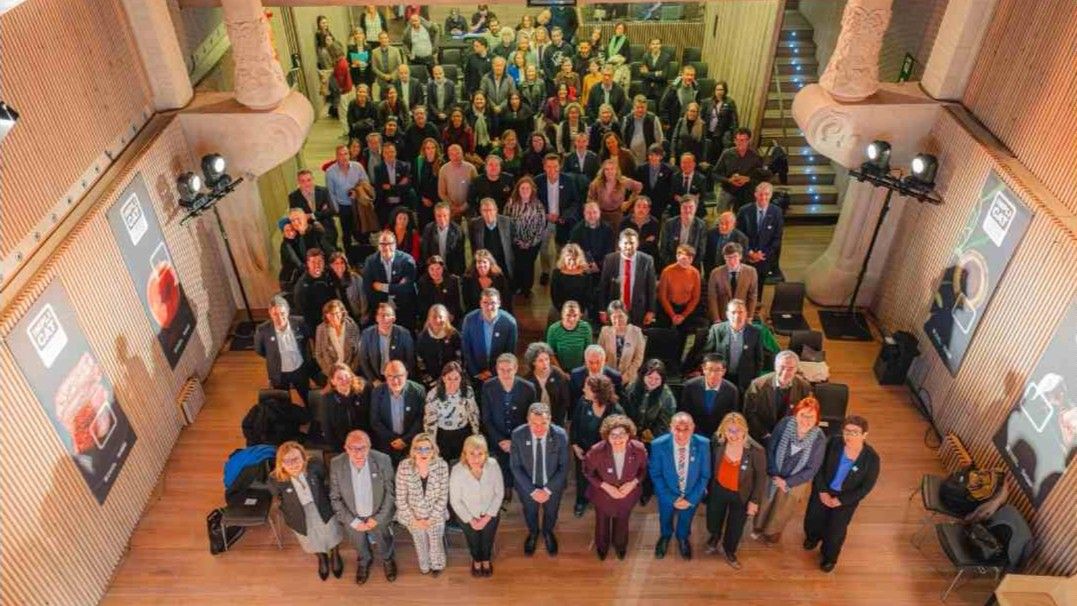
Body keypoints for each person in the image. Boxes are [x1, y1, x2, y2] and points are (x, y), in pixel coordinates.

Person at [803, 415, 880, 572]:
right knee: (814, 517)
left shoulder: (871, 459)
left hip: (845, 498)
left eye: (855, 432)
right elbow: (817, 467)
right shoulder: (832, 442)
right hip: (823, 488)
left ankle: (829, 557)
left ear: (864, 435)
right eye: (847, 431)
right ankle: (812, 538)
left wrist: (841, 500)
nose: (849, 435)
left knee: (836, 530)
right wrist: (823, 491)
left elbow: (866, 487)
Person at [753, 396, 826, 544]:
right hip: (773, 473)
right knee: (765, 502)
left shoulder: (819, 439)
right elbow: (771, 447)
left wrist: (787, 482)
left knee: (783, 508)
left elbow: (812, 469)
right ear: (796, 414)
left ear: (817, 418)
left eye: (810, 416)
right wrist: (774, 473)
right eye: (802, 415)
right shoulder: (785, 424)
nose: (806, 420)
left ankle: (772, 532)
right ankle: (758, 527)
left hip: (796, 482)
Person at [268, 441, 344, 580]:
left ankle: (335, 553)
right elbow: (278, 498)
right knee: (311, 540)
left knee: (331, 533)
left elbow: (324, 480)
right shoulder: (275, 479)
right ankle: (321, 557)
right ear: (281, 463)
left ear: (304, 457)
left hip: (321, 507)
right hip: (298, 514)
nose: (293, 464)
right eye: (287, 461)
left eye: (296, 458)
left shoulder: (315, 466)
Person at [329, 430, 397, 584]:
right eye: (353, 448)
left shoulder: (383, 460)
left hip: (378, 516)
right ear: (346, 448)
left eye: (362, 448)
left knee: (384, 540)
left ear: (369, 447)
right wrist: (353, 522)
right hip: (352, 518)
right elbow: (335, 497)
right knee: (358, 543)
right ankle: (364, 561)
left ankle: (388, 559)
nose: (358, 453)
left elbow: (391, 494)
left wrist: (378, 519)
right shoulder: (337, 463)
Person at [705, 412, 767, 570]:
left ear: (745, 430)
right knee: (713, 519)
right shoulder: (717, 443)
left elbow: (760, 479)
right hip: (718, 490)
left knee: (735, 527)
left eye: (737, 430)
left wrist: (754, 501)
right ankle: (715, 537)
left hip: (742, 495)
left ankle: (729, 550)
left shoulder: (756, 451)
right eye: (729, 430)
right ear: (723, 431)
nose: (733, 435)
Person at [510, 402, 571, 556]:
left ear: (550, 420)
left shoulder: (560, 435)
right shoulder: (518, 434)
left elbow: (564, 467)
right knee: (530, 512)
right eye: (534, 423)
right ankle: (533, 533)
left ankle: (548, 532)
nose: (539, 428)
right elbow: (516, 467)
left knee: (551, 512)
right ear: (527, 421)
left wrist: (548, 489)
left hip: (552, 486)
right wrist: (532, 491)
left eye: (543, 423)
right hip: (527, 487)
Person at [584, 414, 647, 560]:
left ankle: (620, 546)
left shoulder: (639, 449)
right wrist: (605, 486)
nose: (618, 439)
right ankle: (602, 546)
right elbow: (587, 472)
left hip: (628, 494)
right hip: (603, 494)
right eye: (613, 435)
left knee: (623, 520)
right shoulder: (596, 451)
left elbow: (643, 470)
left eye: (622, 434)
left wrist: (633, 483)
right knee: (602, 521)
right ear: (607, 436)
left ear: (629, 435)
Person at [650, 412, 711, 559]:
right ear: (670, 427)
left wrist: (690, 499)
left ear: (693, 428)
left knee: (686, 518)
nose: (682, 434)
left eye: (686, 429)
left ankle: (683, 538)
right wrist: (673, 498)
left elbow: (705, 475)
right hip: (667, 494)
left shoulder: (703, 444)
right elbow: (656, 474)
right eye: (677, 428)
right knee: (665, 516)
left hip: (692, 494)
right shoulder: (658, 445)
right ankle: (665, 536)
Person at [394, 433, 450, 576]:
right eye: (419, 449)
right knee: (420, 541)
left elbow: (443, 497)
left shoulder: (442, 466)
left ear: (433, 450)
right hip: (413, 516)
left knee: (435, 540)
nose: (423, 453)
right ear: (413, 450)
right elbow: (400, 498)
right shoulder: (404, 466)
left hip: (435, 515)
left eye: (427, 449)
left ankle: (436, 564)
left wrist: (431, 519)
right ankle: (424, 565)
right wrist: (414, 520)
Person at [570, 375, 626, 517]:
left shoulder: (615, 410)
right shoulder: (583, 403)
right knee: (582, 478)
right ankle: (581, 501)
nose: (583, 390)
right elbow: (574, 425)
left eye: (587, 388)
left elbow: (621, 435)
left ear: (597, 392)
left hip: (605, 455)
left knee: (603, 480)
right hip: (583, 452)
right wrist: (575, 445)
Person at [621, 359, 675, 503]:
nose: (652, 381)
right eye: (649, 377)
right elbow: (624, 412)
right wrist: (632, 434)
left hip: (652, 437)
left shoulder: (667, 396)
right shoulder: (632, 387)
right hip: (631, 434)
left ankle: (646, 491)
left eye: (657, 379)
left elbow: (665, 422)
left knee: (649, 465)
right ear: (642, 375)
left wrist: (647, 435)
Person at [450, 435, 504, 577]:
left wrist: (487, 517)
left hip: (490, 514)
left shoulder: (493, 465)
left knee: (488, 539)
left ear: (485, 454)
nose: (476, 458)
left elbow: (499, 493)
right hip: (467, 517)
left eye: (480, 454)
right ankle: (476, 560)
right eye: (472, 454)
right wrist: (471, 520)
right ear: (465, 454)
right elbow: (455, 500)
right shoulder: (457, 470)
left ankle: (486, 560)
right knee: (473, 540)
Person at [482, 353, 537, 493]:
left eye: (509, 370)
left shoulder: (528, 388)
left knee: (520, 465)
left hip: (520, 438)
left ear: (516, 368)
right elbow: (486, 418)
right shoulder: (488, 387)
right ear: (496, 369)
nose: (505, 374)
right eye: (502, 370)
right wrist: (500, 440)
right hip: (497, 438)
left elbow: (531, 418)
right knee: (502, 466)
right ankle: (505, 490)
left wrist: (515, 440)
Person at [744, 350, 812, 443]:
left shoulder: (804, 387)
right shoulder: (758, 385)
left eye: (790, 368)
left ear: (796, 369)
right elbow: (749, 413)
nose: (785, 372)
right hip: (761, 437)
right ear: (775, 367)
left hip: (790, 437)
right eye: (782, 367)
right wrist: (765, 434)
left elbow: (806, 414)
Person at [255, 295, 314, 403]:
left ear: (287, 311)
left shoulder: (300, 323)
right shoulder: (262, 330)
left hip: (299, 369)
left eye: (282, 313)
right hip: (279, 373)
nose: (279, 318)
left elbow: (306, 339)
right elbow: (260, 350)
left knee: (307, 397)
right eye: (275, 314)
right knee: (283, 401)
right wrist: (274, 356)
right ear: (270, 313)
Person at [698, 299, 763, 396]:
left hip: (744, 379)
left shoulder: (755, 332)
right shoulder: (717, 330)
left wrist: (754, 378)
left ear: (746, 314)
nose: (737, 316)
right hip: (721, 377)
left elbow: (759, 358)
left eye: (740, 312)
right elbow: (707, 354)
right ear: (727, 314)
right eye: (733, 312)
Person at [369, 360, 425, 467]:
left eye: (399, 376)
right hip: (386, 444)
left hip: (411, 444)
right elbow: (375, 421)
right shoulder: (377, 392)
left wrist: (405, 440)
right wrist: (393, 440)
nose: (395, 381)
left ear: (406, 375)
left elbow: (420, 419)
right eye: (390, 376)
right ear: (385, 377)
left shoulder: (418, 391)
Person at [598, 228, 657, 327]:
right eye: (625, 243)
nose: (629, 246)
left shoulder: (647, 260)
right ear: (619, 244)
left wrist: (651, 311)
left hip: (638, 311)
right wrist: (602, 310)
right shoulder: (610, 259)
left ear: (637, 244)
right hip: (615, 310)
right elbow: (604, 286)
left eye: (632, 243)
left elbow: (651, 288)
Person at [461, 287, 518, 385]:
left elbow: (509, 352)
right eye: (485, 303)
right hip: (474, 374)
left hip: (499, 374)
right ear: (480, 303)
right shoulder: (469, 320)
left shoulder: (510, 323)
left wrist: (492, 372)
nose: (489, 307)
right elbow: (466, 348)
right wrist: (476, 372)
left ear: (499, 303)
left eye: (493, 303)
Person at [423, 361, 479, 461]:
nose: (453, 382)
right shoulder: (433, 394)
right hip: (442, 435)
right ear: (444, 378)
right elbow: (429, 422)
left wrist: (476, 436)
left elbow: (474, 414)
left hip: (463, 434)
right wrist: (432, 443)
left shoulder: (468, 391)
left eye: (456, 378)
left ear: (461, 379)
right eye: (449, 378)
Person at [362, 230, 419, 328]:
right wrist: (383, 307)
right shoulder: (370, 262)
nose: (386, 247)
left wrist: (383, 287)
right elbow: (368, 289)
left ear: (395, 244)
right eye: (383, 244)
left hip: (404, 308)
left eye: (390, 243)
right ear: (378, 245)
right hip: (381, 309)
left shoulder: (407, 261)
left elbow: (407, 288)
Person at [503, 175, 547, 297]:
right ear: (518, 189)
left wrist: (530, 242)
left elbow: (541, 225)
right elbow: (506, 223)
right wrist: (516, 240)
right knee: (517, 264)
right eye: (522, 188)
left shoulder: (538, 205)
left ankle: (527, 288)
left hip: (533, 243)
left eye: (528, 188)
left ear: (532, 190)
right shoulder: (511, 203)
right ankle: (516, 286)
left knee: (528, 265)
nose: (525, 191)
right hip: (515, 242)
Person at [680, 354, 739, 439]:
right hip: (694, 434)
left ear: (724, 371)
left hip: (720, 435)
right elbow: (685, 412)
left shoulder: (732, 390)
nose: (713, 374)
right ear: (703, 369)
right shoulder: (690, 386)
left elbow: (731, 417)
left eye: (718, 370)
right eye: (710, 369)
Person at [736, 181, 784, 283]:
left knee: (759, 286)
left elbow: (777, 238)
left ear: (771, 195)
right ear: (755, 194)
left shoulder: (777, 212)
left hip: (764, 258)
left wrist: (761, 255)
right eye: (760, 194)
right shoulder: (744, 211)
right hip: (746, 257)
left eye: (766, 194)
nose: (763, 197)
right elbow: (739, 235)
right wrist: (750, 252)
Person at [325, 145, 371, 247]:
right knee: (346, 232)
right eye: (340, 154)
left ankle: (364, 251)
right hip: (343, 206)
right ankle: (349, 254)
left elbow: (366, 182)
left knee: (361, 230)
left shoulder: (358, 167)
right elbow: (331, 192)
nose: (344, 157)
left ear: (349, 154)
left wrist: (357, 192)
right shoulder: (330, 172)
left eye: (346, 154)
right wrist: (337, 210)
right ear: (336, 156)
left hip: (359, 204)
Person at [358, 303, 415, 383]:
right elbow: (363, 360)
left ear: (394, 318)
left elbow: (410, 360)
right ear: (376, 318)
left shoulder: (404, 334)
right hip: (377, 378)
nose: (384, 318)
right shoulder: (367, 334)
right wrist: (374, 380)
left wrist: (402, 379)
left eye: (388, 315)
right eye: (381, 315)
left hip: (398, 378)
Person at [714, 127, 768, 212]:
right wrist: (728, 180)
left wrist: (748, 179)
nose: (739, 143)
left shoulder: (755, 157)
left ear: (748, 140)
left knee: (742, 217)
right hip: (727, 189)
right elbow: (715, 174)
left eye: (743, 140)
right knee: (722, 216)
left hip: (745, 192)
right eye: (737, 140)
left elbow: (760, 177)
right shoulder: (727, 154)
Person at [321, 363, 372, 454]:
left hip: (366, 442)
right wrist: (343, 449)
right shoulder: (328, 399)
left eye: (346, 376)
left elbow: (372, 418)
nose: (344, 380)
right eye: (339, 378)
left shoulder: (364, 390)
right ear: (332, 381)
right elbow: (327, 428)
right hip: (343, 447)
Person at [657, 244, 703, 341]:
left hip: (686, 309)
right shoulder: (667, 271)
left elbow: (696, 297)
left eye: (690, 258)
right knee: (663, 337)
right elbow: (662, 296)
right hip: (668, 307)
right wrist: (672, 315)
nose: (686, 261)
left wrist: (683, 315)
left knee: (682, 338)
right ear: (677, 257)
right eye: (683, 258)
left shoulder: (695, 273)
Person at [522, 342, 573, 427]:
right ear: (533, 362)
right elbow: (526, 406)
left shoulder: (558, 375)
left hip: (556, 421)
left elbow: (564, 402)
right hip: (535, 423)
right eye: (540, 360)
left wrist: (554, 422)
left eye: (547, 359)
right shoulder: (527, 380)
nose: (545, 363)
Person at [597, 300, 646, 385]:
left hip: (629, 379)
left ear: (626, 316)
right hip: (607, 378)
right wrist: (608, 376)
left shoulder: (637, 332)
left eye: (620, 316)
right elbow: (600, 356)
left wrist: (624, 378)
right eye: (614, 317)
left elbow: (638, 360)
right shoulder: (604, 331)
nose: (617, 320)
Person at [468, 198, 516, 281]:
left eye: (490, 210)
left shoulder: (507, 222)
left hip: (504, 260)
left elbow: (513, 243)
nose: (488, 213)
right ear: (481, 211)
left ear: (496, 210)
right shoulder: (474, 224)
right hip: (486, 263)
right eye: (485, 210)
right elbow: (473, 246)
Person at [414, 303, 462, 387]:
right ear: (429, 318)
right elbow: (420, 362)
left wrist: (450, 379)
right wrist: (430, 381)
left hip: (453, 382)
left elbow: (460, 358)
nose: (437, 320)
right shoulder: (423, 337)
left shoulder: (454, 335)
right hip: (430, 384)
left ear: (446, 318)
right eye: (434, 317)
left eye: (440, 317)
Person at [293, 249, 337, 336]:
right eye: (313, 262)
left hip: (333, 319)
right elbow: (302, 312)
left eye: (320, 261)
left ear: (324, 262)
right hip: (314, 325)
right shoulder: (302, 285)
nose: (317, 265)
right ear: (308, 264)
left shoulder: (330, 276)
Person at [290, 169, 338, 248]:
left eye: (309, 180)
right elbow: (295, 218)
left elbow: (332, 210)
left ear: (313, 179)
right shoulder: (293, 197)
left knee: (332, 253)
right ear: (298, 182)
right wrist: (322, 212)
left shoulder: (323, 191)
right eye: (303, 181)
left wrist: (311, 215)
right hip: (309, 233)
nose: (307, 184)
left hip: (328, 230)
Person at [660, 193, 708, 270]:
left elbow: (701, 252)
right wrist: (675, 265)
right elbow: (663, 249)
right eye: (684, 207)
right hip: (671, 265)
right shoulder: (669, 224)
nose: (687, 210)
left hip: (692, 266)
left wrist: (687, 265)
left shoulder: (701, 226)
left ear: (696, 208)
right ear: (680, 207)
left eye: (691, 207)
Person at [315, 299, 361, 377]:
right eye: (331, 314)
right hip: (332, 372)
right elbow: (319, 354)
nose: (335, 317)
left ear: (342, 312)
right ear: (326, 315)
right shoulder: (321, 329)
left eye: (337, 313)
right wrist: (331, 373)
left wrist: (350, 372)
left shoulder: (352, 326)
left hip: (352, 371)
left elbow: (358, 352)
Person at [569, 344, 625, 408]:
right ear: (585, 361)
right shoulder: (576, 375)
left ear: (604, 361)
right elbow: (573, 402)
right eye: (591, 362)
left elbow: (620, 401)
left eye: (598, 362)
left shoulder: (615, 377)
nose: (594, 366)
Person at [703, 211, 751, 284]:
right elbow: (706, 256)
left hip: (731, 274)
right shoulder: (710, 234)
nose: (723, 226)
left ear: (733, 225)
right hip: (712, 273)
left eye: (727, 223)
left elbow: (742, 260)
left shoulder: (742, 239)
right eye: (721, 223)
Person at [545, 300, 593, 371]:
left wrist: (581, 371)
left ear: (580, 315)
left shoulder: (586, 327)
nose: (572, 319)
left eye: (575, 315)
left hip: (580, 369)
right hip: (559, 370)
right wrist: (561, 373)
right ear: (562, 314)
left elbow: (589, 351)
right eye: (568, 315)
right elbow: (550, 354)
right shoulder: (553, 329)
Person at [700, 80, 739, 161]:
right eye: (717, 89)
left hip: (721, 134)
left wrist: (734, 135)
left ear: (725, 91)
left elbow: (734, 120)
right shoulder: (708, 102)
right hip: (708, 132)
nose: (719, 92)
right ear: (714, 90)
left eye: (721, 90)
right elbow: (701, 117)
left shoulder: (729, 102)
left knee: (717, 155)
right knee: (707, 154)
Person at [634, 144, 675, 220]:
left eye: (656, 155)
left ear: (661, 157)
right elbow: (637, 188)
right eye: (651, 155)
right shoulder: (641, 169)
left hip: (659, 206)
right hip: (643, 205)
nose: (653, 158)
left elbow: (670, 189)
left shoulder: (668, 171)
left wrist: (665, 206)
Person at [437, 144, 478, 220]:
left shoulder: (471, 168)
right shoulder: (443, 170)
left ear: (462, 154)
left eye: (458, 153)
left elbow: (476, 190)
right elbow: (441, 192)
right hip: (451, 210)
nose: (455, 157)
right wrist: (452, 207)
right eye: (452, 154)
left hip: (469, 208)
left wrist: (464, 206)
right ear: (449, 156)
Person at [622, 95, 664, 165]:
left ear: (646, 107)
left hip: (648, 158)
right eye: (638, 107)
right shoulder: (627, 119)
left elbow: (659, 140)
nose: (640, 110)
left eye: (642, 107)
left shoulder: (653, 119)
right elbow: (623, 139)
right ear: (633, 107)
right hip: (631, 157)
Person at [659, 65, 699, 137]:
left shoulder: (696, 88)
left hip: (689, 123)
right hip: (673, 123)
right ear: (682, 75)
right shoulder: (672, 88)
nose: (689, 77)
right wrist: (666, 122)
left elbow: (698, 105)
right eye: (687, 74)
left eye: (692, 75)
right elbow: (663, 106)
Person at [327, 251, 365, 323]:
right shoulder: (329, 282)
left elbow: (364, 299)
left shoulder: (356, 278)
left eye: (342, 262)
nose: (340, 266)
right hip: (341, 320)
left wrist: (363, 317)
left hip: (359, 317)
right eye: (336, 263)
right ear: (331, 265)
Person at [619, 196, 660, 263]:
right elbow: (622, 242)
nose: (641, 210)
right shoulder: (625, 222)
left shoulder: (654, 223)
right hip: (628, 255)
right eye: (638, 206)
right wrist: (644, 241)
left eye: (644, 207)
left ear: (649, 209)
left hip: (648, 256)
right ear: (633, 208)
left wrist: (633, 242)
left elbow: (652, 244)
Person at [412, 138, 442, 227]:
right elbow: (415, 182)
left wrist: (435, 200)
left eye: (433, 148)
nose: (430, 150)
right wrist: (422, 198)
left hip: (438, 200)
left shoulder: (442, 162)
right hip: (423, 200)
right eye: (428, 148)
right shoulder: (419, 162)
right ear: (424, 149)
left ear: (436, 149)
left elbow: (442, 185)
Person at [669, 153, 708, 219]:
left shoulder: (701, 178)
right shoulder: (675, 177)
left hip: (695, 210)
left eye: (689, 162)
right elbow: (672, 194)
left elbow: (702, 196)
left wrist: (690, 202)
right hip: (677, 209)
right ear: (680, 164)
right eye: (683, 162)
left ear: (694, 164)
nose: (686, 165)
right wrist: (680, 200)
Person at [671, 102, 708, 167]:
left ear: (697, 113)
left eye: (694, 112)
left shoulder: (702, 124)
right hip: (679, 155)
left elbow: (703, 144)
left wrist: (703, 160)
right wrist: (672, 155)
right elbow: (674, 139)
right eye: (691, 111)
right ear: (687, 111)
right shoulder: (681, 121)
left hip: (694, 157)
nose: (692, 113)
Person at [370, 31, 405, 100]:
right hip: (382, 80)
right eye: (382, 38)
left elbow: (399, 65)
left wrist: (391, 76)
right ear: (379, 40)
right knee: (384, 99)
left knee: (396, 98)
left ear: (388, 39)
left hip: (394, 79)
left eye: (385, 38)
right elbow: (374, 67)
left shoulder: (396, 50)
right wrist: (384, 76)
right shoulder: (374, 52)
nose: (384, 40)